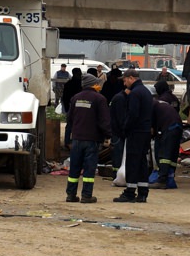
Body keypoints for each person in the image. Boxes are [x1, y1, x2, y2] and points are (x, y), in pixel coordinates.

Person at [65, 73, 111, 204]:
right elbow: (104, 121)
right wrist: (109, 135)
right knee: (89, 169)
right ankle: (86, 196)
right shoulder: (99, 99)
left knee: (75, 167)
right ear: (93, 84)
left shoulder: (76, 98)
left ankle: (71, 195)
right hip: (92, 139)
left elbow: (69, 119)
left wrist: (72, 134)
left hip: (77, 139)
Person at [113, 68, 154, 203]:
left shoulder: (134, 93)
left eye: (125, 81)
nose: (124, 84)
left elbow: (132, 114)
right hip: (145, 132)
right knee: (142, 162)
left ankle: (129, 192)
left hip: (135, 132)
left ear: (131, 78)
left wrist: (125, 128)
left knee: (132, 162)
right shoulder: (146, 92)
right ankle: (143, 192)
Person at [150, 90, 182, 190]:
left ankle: (162, 181)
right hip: (177, 126)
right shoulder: (159, 104)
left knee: (164, 155)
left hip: (169, 128)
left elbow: (151, 126)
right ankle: (169, 178)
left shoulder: (150, 106)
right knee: (172, 155)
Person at [61, 67, 82, 148]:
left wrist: (67, 108)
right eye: (79, 73)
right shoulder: (80, 84)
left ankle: (68, 142)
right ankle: (74, 142)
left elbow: (64, 98)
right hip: (77, 107)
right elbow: (65, 97)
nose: (80, 75)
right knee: (76, 125)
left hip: (71, 107)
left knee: (70, 125)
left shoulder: (68, 84)